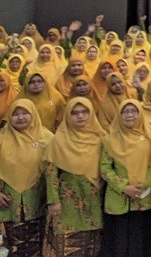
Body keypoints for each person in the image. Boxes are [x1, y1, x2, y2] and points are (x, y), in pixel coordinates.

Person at [100, 99, 151, 256]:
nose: (130, 115)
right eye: (125, 111)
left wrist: (144, 184)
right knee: (118, 241)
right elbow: (104, 167)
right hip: (118, 197)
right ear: (119, 115)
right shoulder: (110, 139)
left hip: (145, 196)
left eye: (134, 111)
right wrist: (124, 187)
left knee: (143, 240)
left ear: (140, 113)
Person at [45, 97, 106, 256]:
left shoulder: (101, 139)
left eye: (85, 112)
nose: (80, 116)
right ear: (67, 115)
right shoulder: (58, 140)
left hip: (94, 200)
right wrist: (53, 200)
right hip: (67, 203)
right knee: (67, 246)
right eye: (75, 113)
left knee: (93, 246)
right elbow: (50, 173)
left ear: (91, 113)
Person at [0, 99, 51, 257]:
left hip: (39, 202)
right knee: (9, 249)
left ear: (33, 114)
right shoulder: (1, 139)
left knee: (38, 248)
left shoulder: (48, 138)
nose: (20, 117)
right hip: (8, 203)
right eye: (15, 114)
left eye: (25, 113)